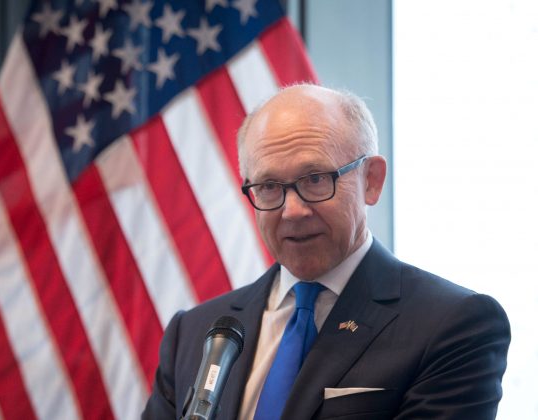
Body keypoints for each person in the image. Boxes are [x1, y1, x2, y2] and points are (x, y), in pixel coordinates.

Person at [142, 84, 510, 419]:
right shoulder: (192, 333)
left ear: (372, 181)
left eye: (315, 179)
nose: (293, 210)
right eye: (269, 186)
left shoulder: (453, 326)